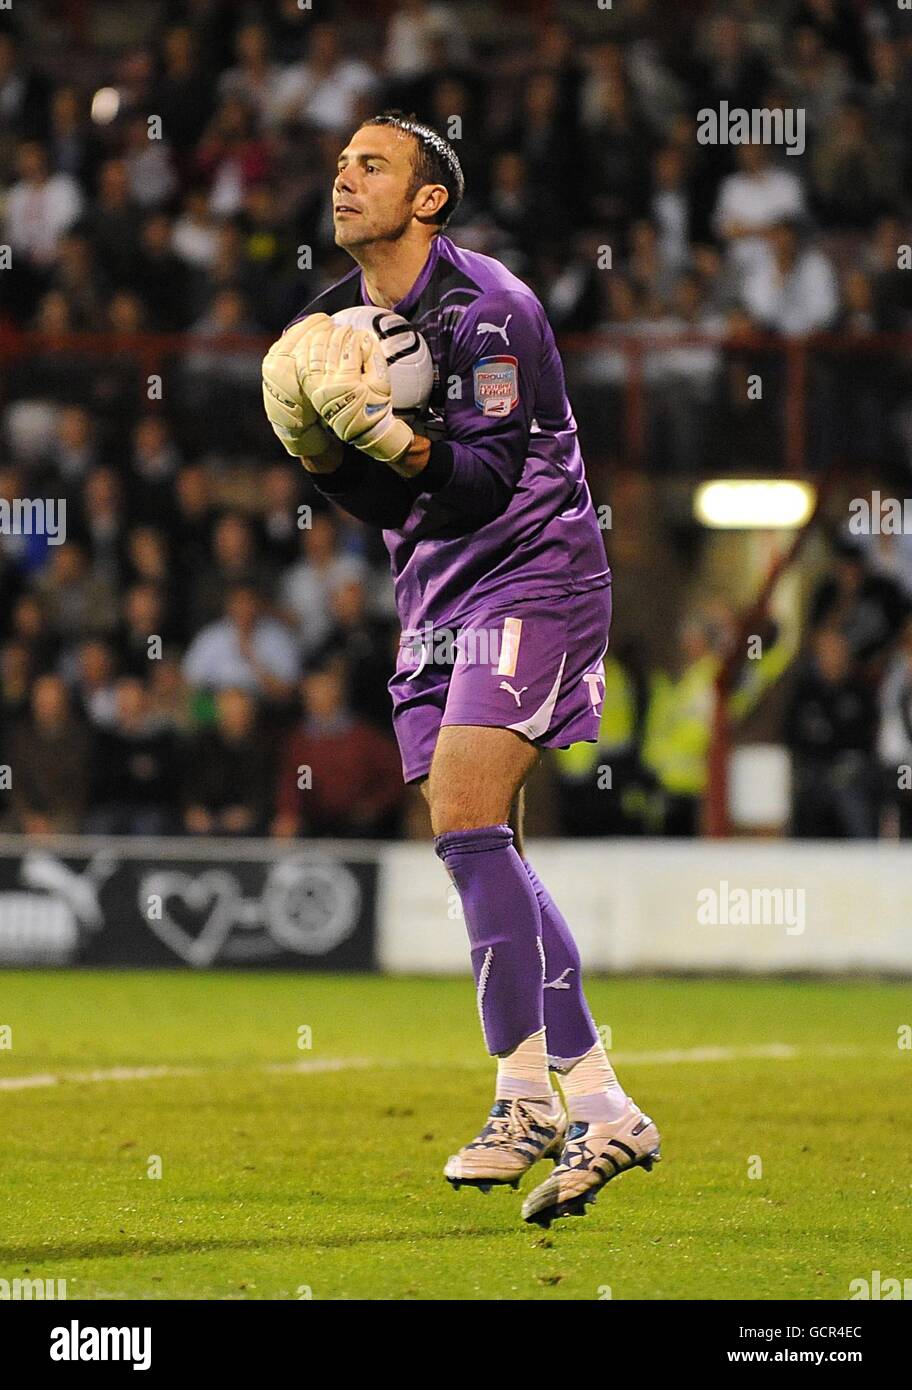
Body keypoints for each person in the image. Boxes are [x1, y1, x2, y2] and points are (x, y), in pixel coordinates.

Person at [261, 112, 660, 1227]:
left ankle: (519, 1093)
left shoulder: (491, 308)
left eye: (371, 165)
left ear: (428, 198)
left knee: (467, 817)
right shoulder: (334, 330)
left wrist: (379, 436)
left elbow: (480, 482)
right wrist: (322, 455)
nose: (343, 178)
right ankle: (601, 1100)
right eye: (339, 164)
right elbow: (398, 504)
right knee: (486, 846)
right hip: (434, 597)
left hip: (534, 575)